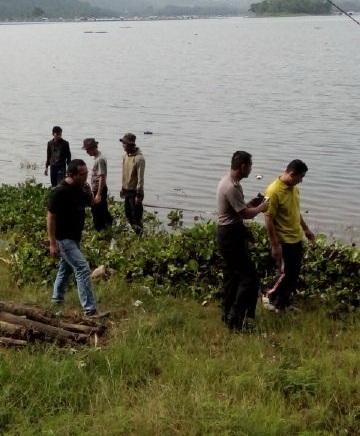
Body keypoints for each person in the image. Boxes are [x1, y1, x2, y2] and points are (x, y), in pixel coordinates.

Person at [217, 151, 269, 332]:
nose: (251, 169)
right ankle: (237, 317)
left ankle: (228, 316)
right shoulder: (231, 186)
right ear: (244, 167)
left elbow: (239, 208)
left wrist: (252, 203)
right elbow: (244, 214)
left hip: (228, 233)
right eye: (251, 166)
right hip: (230, 236)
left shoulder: (229, 182)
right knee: (250, 278)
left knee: (232, 277)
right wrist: (262, 207)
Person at [47, 159, 103, 317]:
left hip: (75, 237)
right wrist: (52, 243)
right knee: (83, 268)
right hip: (64, 238)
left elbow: (91, 204)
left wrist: (90, 191)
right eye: (82, 174)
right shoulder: (60, 191)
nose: (85, 176)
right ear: (71, 174)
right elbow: (51, 217)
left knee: (65, 269)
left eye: (86, 173)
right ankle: (90, 310)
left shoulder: (80, 187)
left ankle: (56, 300)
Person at [263, 159, 315, 312]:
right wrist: (275, 244)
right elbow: (268, 219)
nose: (301, 181)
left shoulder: (293, 188)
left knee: (294, 274)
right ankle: (267, 294)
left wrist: (306, 229)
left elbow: (295, 212)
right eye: (301, 177)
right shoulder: (273, 191)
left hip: (296, 238)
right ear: (292, 174)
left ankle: (282, 303)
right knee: (286, 274)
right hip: (284, 240)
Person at [82, 138, 113, 232]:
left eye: (88, 149)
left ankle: (101, 228)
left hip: (100, 189)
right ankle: (107, 224)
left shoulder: (99, 160)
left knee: (96, 211)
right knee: (101, 209)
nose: (87, 152)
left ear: (93, 148)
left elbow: (102, 177)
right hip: (98, 188)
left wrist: (98, 194)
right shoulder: (98, 158)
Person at [119, 133, 145, 235]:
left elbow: (140, 179)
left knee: (136, 217)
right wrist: (122, 188)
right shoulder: (125, 156)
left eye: (124, 143)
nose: (123, 146)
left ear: (130, 144)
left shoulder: (139, 159)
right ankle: (137, 234)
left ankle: (140, 236)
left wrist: (139, 195)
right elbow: (124, 174)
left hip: (135, 192)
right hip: (126, 190)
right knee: (128, 214)